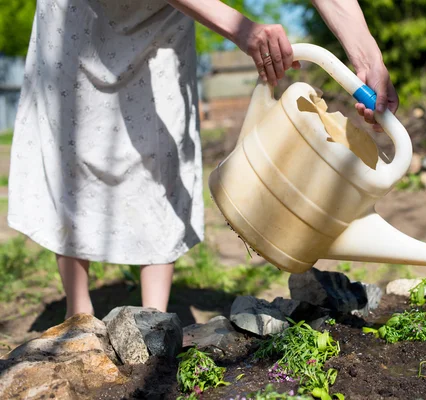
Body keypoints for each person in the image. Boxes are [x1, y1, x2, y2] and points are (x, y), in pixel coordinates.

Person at [8, 0, 399, 319]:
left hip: (162, 17)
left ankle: (153, 322)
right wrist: (244, 30)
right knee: (72, 145)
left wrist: (368, 56)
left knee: (162, 150)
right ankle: (78, 315)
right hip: (83, 13)